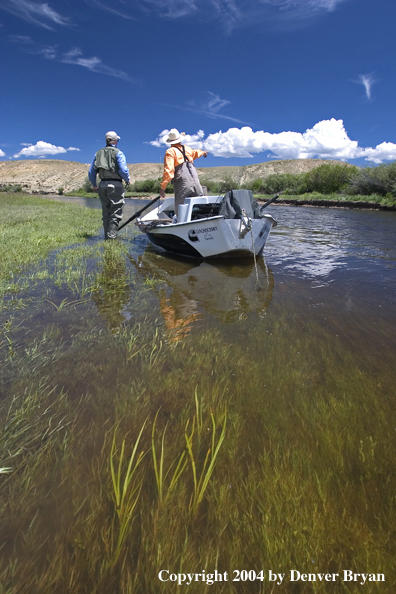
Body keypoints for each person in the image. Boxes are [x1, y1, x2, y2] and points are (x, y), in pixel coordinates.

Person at [88, 131, 130, 240]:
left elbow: (91, 172)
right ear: (115, 141)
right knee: (115, 213)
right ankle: (111, 240)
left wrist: (94, 184)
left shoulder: (98, 153)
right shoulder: (118, 153)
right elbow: (123, 170)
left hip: (102, 185)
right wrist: (127, 180)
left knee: (106, 213)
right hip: (115, 184)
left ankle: (107, 237)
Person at [159, 129, 207, 218]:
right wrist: (203, 152)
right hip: (196, 183)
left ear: (170, 142)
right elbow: (196, 153)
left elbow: (169, 172)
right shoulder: (187, 149)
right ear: (179, 139)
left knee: (181, 211)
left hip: (183, 185)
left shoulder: (170, 152)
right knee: (200, 207)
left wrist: (163, 188)